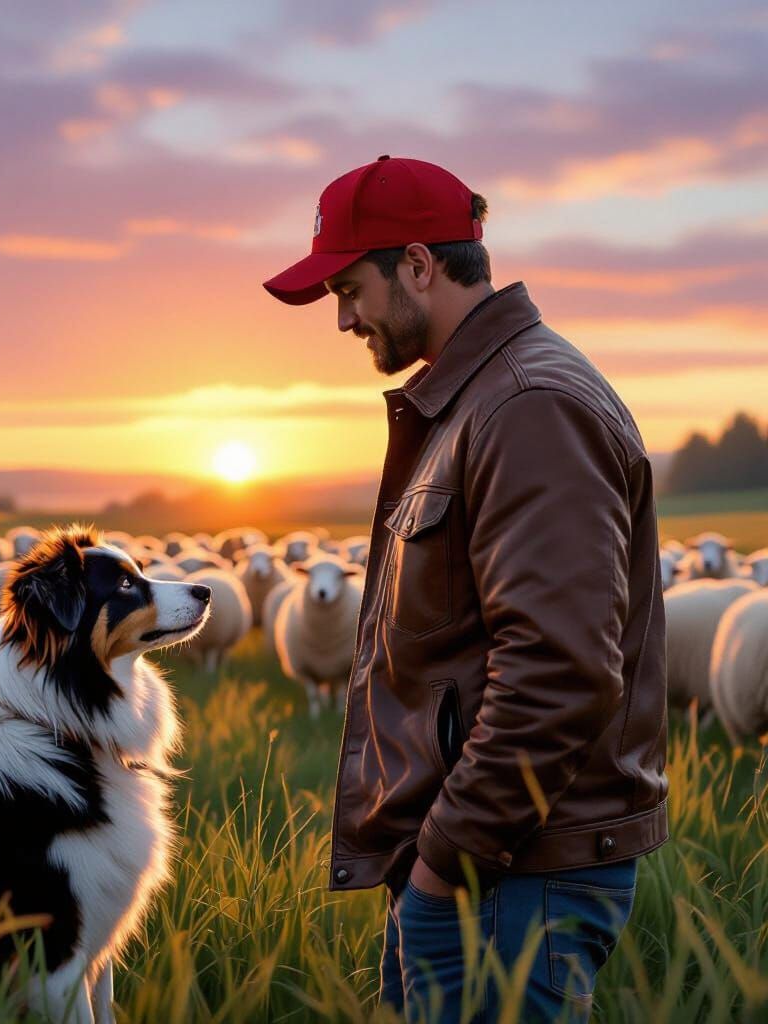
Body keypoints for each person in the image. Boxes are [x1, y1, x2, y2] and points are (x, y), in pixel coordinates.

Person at [262, 156, 668, 1022]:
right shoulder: (479, 399)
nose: (341, 319)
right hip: (485, 862)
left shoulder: (526, 405)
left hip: (511, 874)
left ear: (418, 265)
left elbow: (558, 668)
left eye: (349, 288)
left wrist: (447, 857)